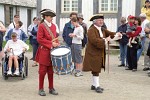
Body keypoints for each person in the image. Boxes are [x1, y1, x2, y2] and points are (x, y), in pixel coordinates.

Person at [83, 14, 121, 93]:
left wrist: (118, 34)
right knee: (96, 69)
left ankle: (93, 85)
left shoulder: (102, 29)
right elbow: (94, 41)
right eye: (99, 20)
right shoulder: (91, 30)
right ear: (94, 22)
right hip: (92, 52)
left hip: (99, 52)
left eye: (102, 20)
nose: (101, 22)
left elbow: (111, 34)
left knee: (96, 68)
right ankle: (97, 86)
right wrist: (105, 40)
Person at [35, 9, 60, 96]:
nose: (52, 18)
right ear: (46, 17)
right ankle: (41, 89)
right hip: (44, 51)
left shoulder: (53, 26)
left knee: (50, 71)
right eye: (50, 17)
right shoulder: (41, 26)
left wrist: (57, 43)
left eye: (52, 17)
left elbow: (55, 37)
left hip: (52, 52)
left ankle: (51, 88)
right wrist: (51, 44)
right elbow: (39, 39)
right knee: (42, 71)